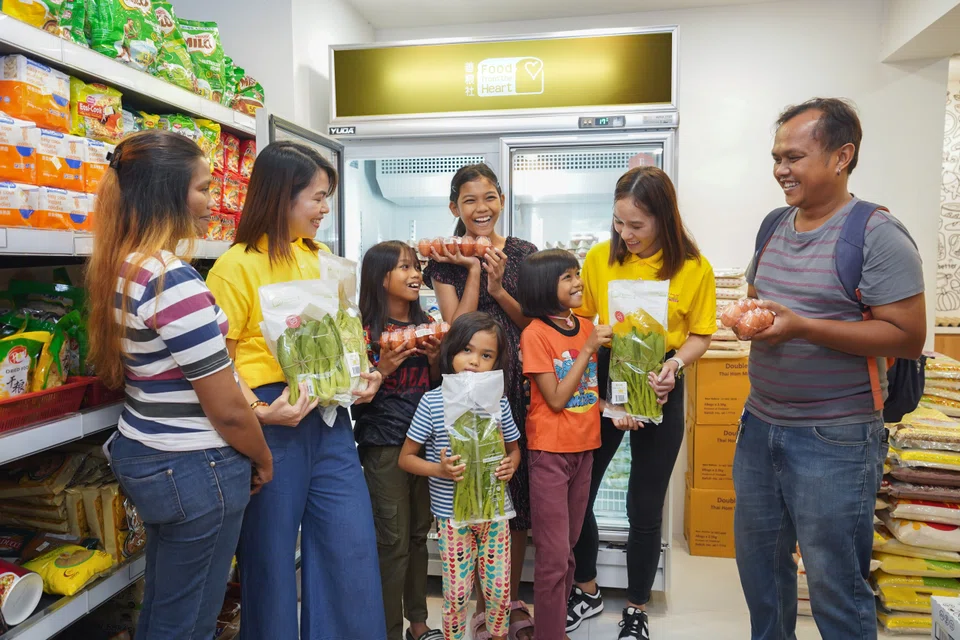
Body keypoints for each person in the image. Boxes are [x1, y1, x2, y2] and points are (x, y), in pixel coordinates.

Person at [735, 98, 926, 640]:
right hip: (760, 425)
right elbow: (760, 297)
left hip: (835, 437)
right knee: (761, 578)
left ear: (843, 156)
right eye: (776, 157)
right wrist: (750, 320)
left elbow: (908, 337)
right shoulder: (773, 225)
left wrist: (804, 327)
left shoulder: (876, 234)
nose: (780, 169)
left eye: (794, 156)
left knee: (834, 585)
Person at [86, 130, 273, 640]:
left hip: (150, 454)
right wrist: (262, 456)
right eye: (203, 189)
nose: (212, 202)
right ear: (168, 193)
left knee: (166, 610)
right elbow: (227, 408)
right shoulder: (173, 280)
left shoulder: (122, 265)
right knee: (189, 622)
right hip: (198, 466)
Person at [206, 141, 387, 640]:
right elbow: (213, 358)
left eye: (327, 197)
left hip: (329, 420)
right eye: (318, 197)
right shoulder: (236, 265)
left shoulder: (323, 257)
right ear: (282, 197)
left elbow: (346, 331)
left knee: (349, 546)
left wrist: (363, 374)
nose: (325, 209)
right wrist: (259, 410)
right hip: (273, 421)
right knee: (269, 558)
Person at [568, 166, 716, 640]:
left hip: (661, 381)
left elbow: (700, 334)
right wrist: (595, 344)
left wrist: (675, 367)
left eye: (637, 225)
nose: (625, 234)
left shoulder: (694, 268)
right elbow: (579, 323)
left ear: (665, 219)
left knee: (645, 504)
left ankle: (636, 607)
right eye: (618, 223)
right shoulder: (597, 259)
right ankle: (587, 588)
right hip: (607, 375)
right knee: (581, 493)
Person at [423, 164, 538, 640]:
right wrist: (472, 270)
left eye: (489, 197)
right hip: (468, 394)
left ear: (502, 199)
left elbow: (535, 323)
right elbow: (457, 329)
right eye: (469, 201)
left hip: (520, 388)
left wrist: (498, 288)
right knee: (473, 492)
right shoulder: (443, 261)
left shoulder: (524, 254)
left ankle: (504, 602)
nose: (481, 208)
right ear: (455, 208)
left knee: (515, 499)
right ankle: (467, 603)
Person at [398, 311, 522, 640]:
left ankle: (498, 635)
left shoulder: (499, 402)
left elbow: (515, 449)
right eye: (466, 350)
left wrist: (512, 463)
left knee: (498, 593)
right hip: (453, 519)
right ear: (450, 351)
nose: (473, 361)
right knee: (454, 595)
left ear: (496, 364)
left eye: (486, 355)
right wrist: (439, 469)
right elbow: (406, 458)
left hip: (495, 514)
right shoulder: (432, 402)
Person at [517, 249, 611, 640]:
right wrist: (588, 349)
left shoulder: (587, 324)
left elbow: (590, 391)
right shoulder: (535, 334)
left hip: (584, 449)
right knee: (554, 557)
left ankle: (554, 628)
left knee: (568, 550)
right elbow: (555, 398)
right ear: (544, 287)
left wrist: (616, 407)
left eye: (577, 274)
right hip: (550, 454)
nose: (578, 283)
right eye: (568, 277)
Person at [353, 241, 443, 640]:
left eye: (416, 265)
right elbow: (351, 399)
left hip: (425, 444)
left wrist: (438, 359)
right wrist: (382, 368)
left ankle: (419, 623)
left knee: (419, 535)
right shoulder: (363, 331)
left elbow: (440, 389)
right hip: (385, 444)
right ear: (380, 276)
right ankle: (387, 629)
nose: (414, 274)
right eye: (404, 267)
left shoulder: (430, 323)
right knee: (392, 542)